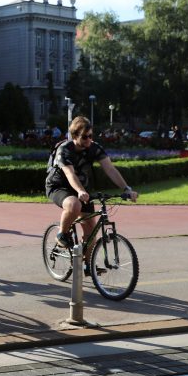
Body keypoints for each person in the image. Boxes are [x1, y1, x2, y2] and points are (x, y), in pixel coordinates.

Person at [46, 116, 138, 270]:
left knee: (91, 231)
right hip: (59, 186)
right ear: (75, 136)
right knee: (74, 204)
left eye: (91, 136)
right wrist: (80, 190)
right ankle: (62, 234)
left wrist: (126, 189)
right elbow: (70, 174)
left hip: (82, 189)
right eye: (84, 137)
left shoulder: (94, 148)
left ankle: (89, 266)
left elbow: (110, 169)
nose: (89, 140)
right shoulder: (65, 150)